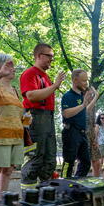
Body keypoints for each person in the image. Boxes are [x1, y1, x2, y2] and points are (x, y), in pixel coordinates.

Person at [19, 43, 66, 190]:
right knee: (35, 158)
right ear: (39, 56)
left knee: (49, 160)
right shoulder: (30, 73)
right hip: (33, 116)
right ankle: (29, 199)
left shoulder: (45, 76)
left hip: (47, 118)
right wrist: (55, 85)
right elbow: (31, 96)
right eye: (49, 56)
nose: (52, 59)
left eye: (53, 56)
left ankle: (45, 196)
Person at [0, 53, 28, 197]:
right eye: (9, 65)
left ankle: (2, 200)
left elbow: (14, 113)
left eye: (13, 65)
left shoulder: (15, 90)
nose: (13, 68)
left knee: (9, 169)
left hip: (16, 135)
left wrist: (25, 119)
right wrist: (0, 75)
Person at [60, 69, 98, 178]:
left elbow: (85, 110)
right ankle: (64, 186)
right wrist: (82, 105)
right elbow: (66, 113)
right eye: (83, 81)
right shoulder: (68, 96)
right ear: (75, 80)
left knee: (86, 162)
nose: (86, 83)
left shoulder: (82, 96)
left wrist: (95, 98)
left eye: (86, 81)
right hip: (71, 132)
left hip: (82, 133)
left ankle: (76, 184)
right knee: (69, 162)